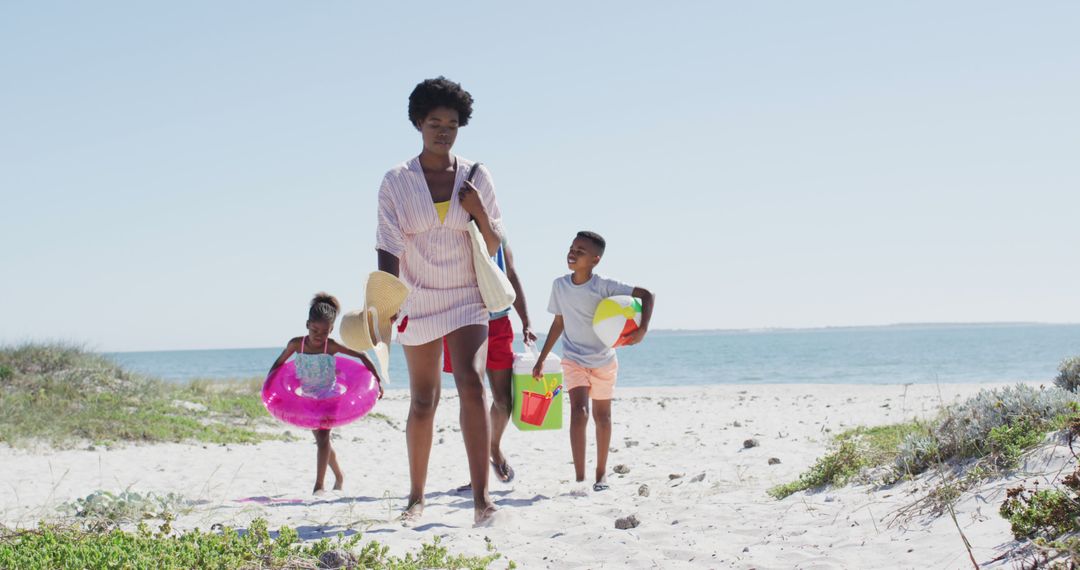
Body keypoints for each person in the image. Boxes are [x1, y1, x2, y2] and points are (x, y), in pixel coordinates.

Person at [375, 76, 504, 525]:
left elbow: (493, 245)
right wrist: (386, 304)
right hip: (416, 297)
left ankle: (482, 501)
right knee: (424, 399)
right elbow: (387, 245)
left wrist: (480, 211)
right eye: (435, 122)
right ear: (418, 122)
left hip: (468, 296)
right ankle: (416, 497)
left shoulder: (476, 175)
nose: (443, 131)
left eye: (451, 123)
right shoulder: (396, 180)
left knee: (471, 381)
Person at [532, 231, 655, 491]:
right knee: (579, 412)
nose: (573, 253)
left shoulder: (604, 286)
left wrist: (642, 330)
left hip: (604, 360)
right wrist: (541, 359)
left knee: (603, 417)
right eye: (572, 248)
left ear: (595, 260)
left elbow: (647, 295)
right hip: (573, 358)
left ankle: (601, 476)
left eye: (581, 251)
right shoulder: (559, 286)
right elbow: (558, 323)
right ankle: (579, 479)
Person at [268, 292, 384, 494]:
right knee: (322, 441)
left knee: (322, 439)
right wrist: (269, 384)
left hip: (329, 397)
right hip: (308, 398)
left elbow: (362, 355)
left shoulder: (331, 346)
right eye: (314, 329)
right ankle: (339, 476)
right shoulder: (297, 344)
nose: (318, 335)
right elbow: (279, 364)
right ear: (307, 325)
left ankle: (319, 486)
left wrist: (378, 380)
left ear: (331, 330)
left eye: (324, 331)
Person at [443, 241, 536, 485]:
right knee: (471, 399)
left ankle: (493, 447)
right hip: (460, 321)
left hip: (498, 323)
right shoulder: (450, 234)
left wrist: (525, 320)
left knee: (504, 401)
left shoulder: (498, 236)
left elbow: (511, 275)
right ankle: (479, 470)